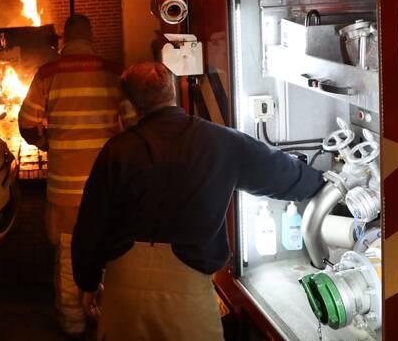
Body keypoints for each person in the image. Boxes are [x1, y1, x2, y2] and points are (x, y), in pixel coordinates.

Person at [71, 62, 325, 340]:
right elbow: (282, 175)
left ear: (131, 103)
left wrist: (88, 282)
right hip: (188, 289)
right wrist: (323, 184)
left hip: (124, 289)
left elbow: (90, 224)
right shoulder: (222, 142)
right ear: (172, 90)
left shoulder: (116, 151)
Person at [18, 13, 136, 338]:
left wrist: (46, 143)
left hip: (64, 191)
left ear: (63, 40)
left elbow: (26, 123)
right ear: (92, 36)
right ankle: (109, 321)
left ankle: (72, 325)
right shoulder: (114, 73)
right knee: (111, 256)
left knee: (70, 259)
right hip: (109, 189)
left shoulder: (47, 74)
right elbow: (131, 126)